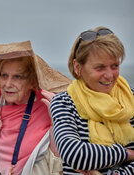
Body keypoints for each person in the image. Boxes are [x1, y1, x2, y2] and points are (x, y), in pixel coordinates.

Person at [50, 26, 134, 175]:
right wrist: (127, 154)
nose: (109, 75)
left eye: (114, 66)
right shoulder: (64, 103)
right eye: (100, 67)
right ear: (78, 67)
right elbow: (74, 154)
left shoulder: (131, 98)